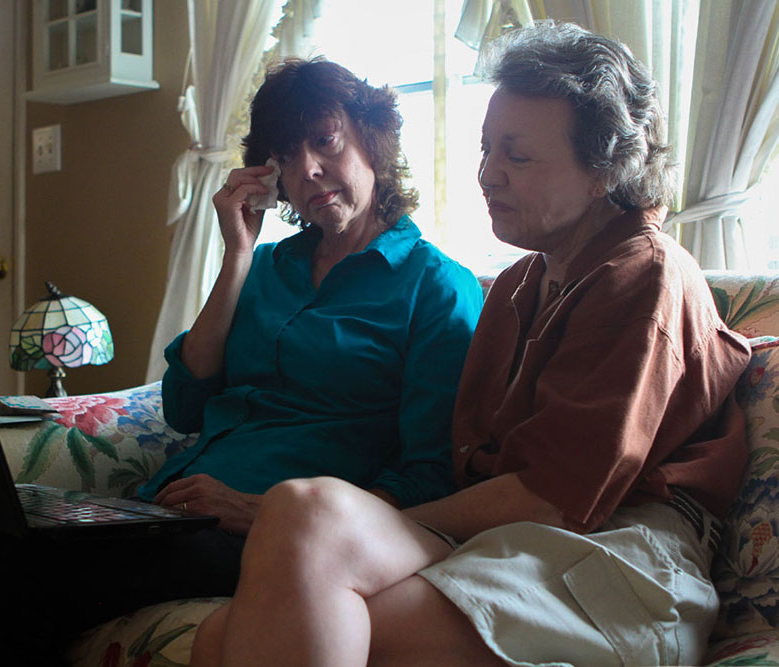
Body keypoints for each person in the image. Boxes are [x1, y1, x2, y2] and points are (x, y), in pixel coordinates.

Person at [0, 57, 482, 666]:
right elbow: (184, 403)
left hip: (264, 537)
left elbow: (429, 475)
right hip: (165, 509)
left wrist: (265, 515)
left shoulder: (437, 288)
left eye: (325, 142)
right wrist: (237, 257)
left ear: (373, 137)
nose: (309, 170)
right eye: (286, 157)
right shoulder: (267, 270)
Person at [190, 21, 752, 667]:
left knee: (287, 604)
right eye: (486, 149)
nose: (488, 174)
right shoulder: (520, 283)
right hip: (519, 538)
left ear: (603, 171)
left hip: (621, 553)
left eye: (517, 155)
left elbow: (558, 494)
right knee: (275, 550)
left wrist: (402, 522)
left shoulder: (644, 274)